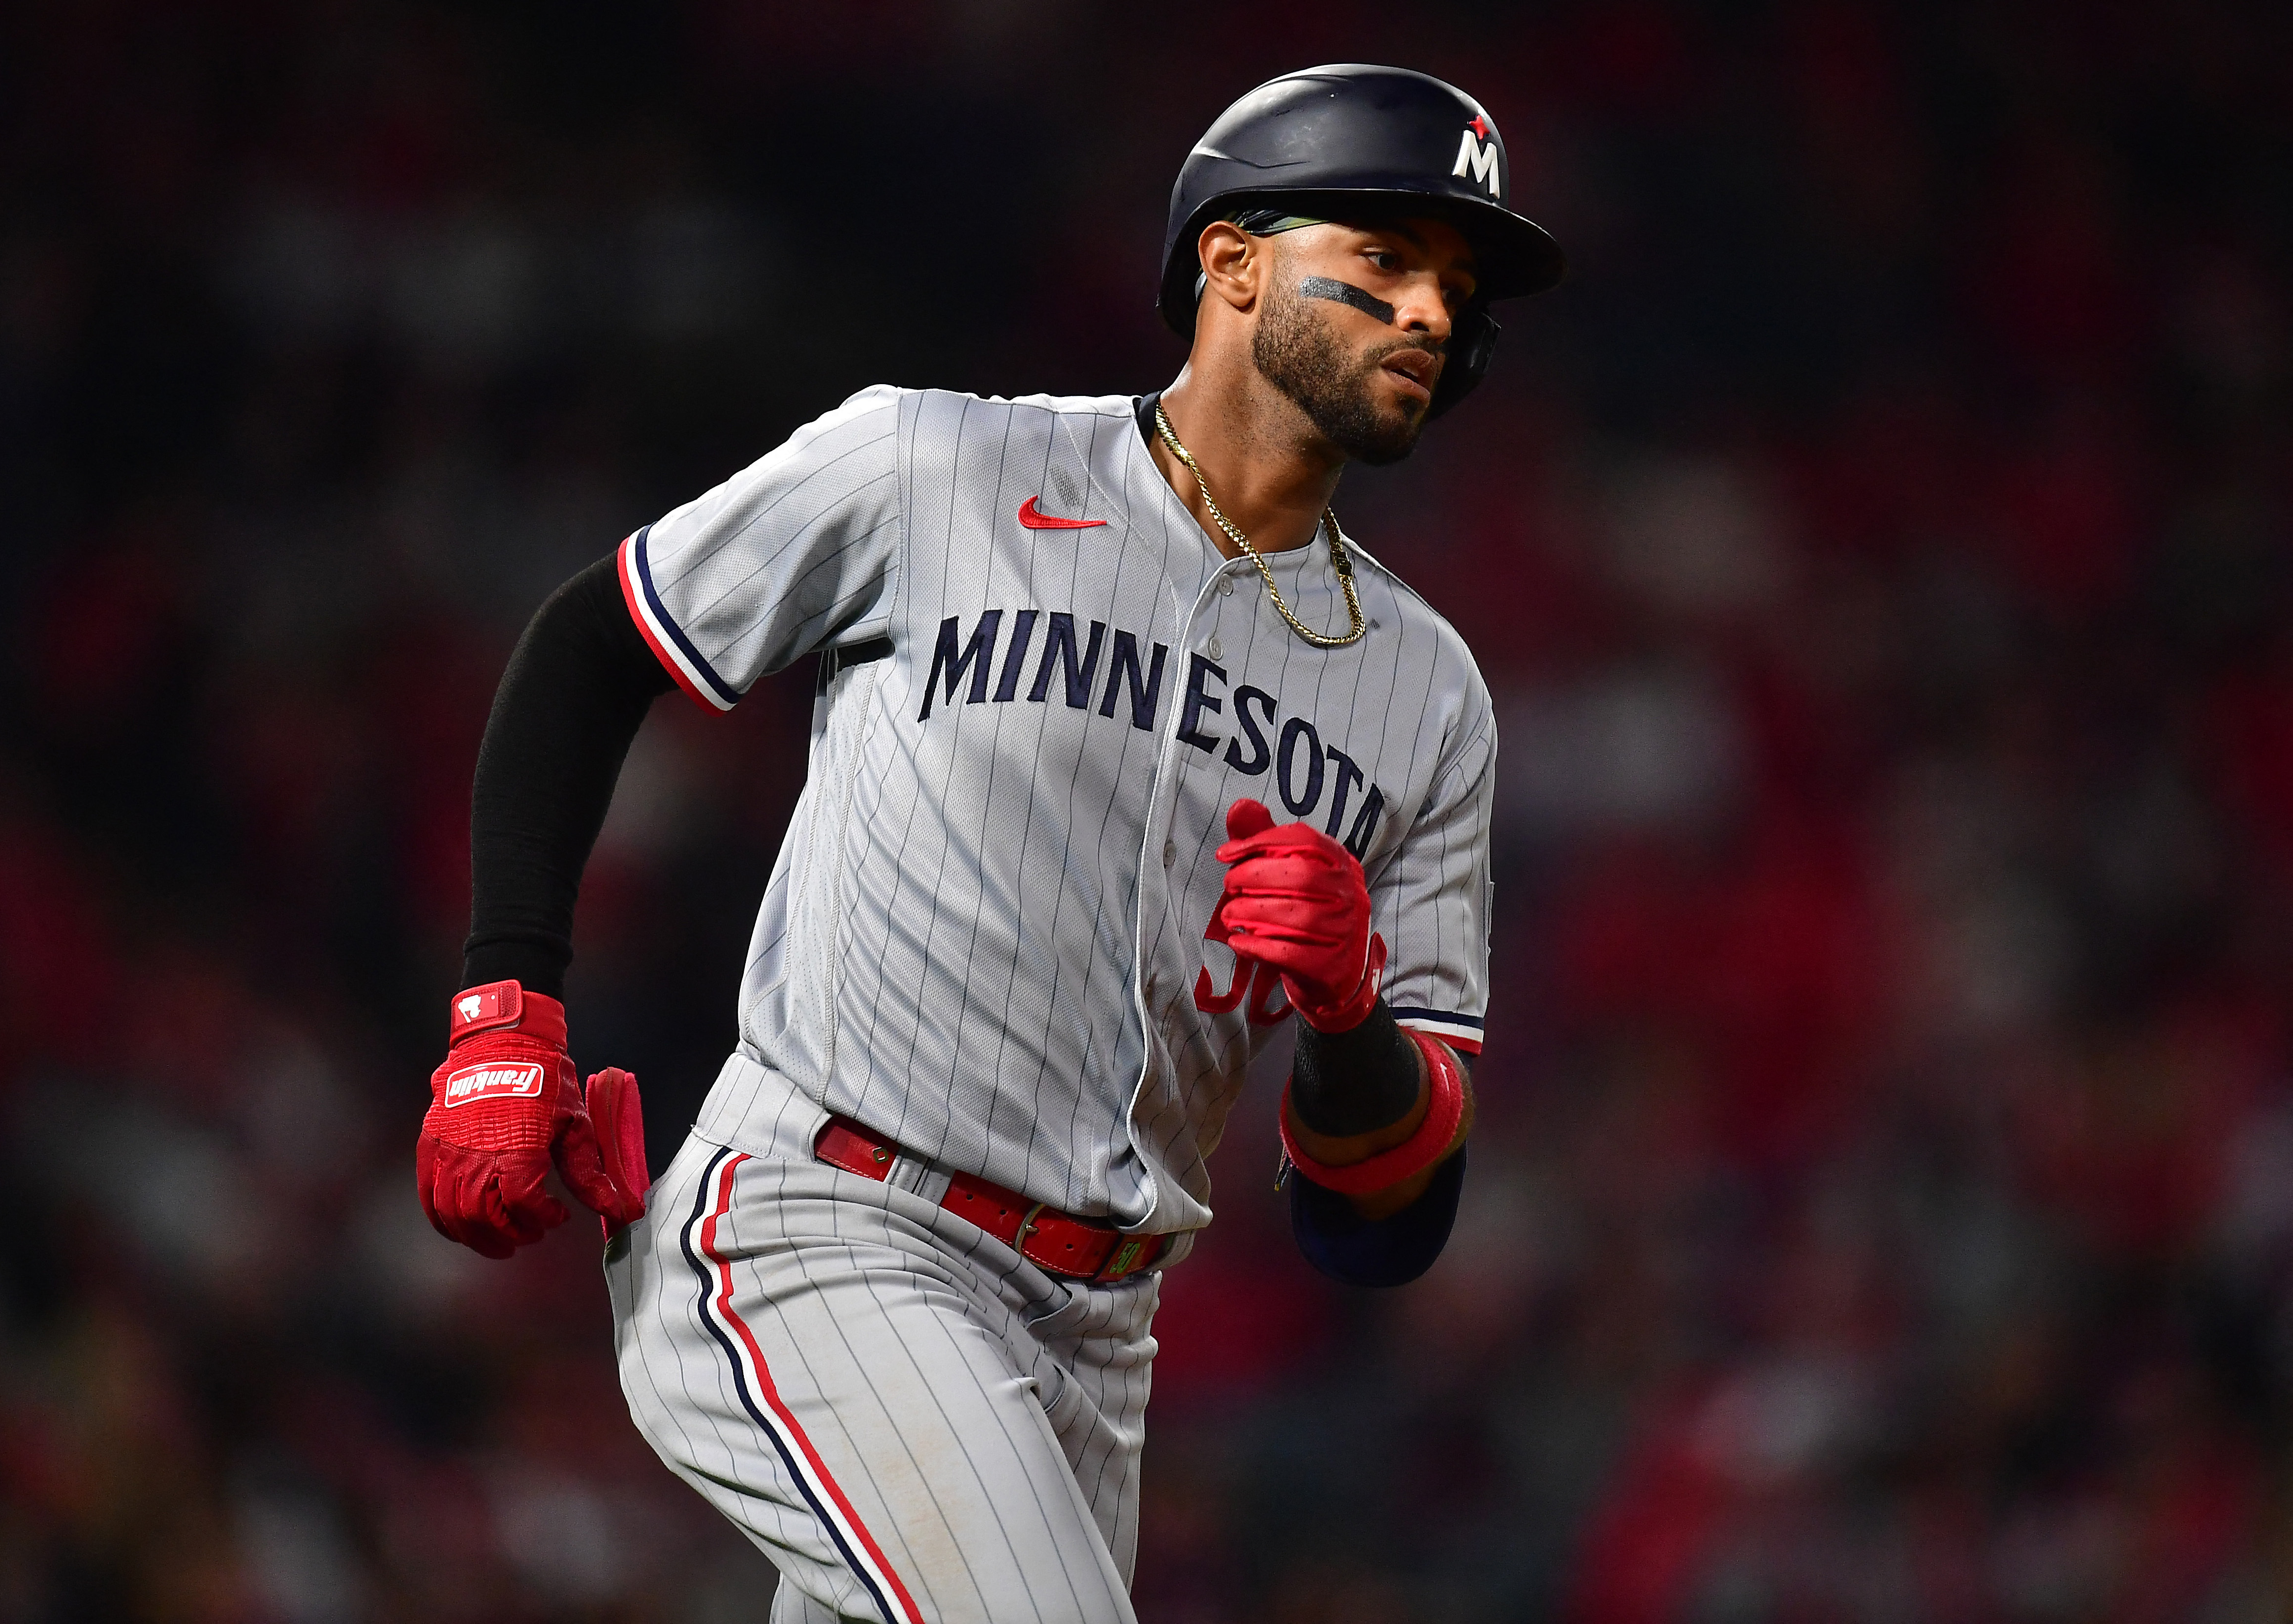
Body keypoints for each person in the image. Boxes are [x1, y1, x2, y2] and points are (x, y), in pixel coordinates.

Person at [414, 63, 1563, 1624]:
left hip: (1094, 1350)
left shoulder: (1425, 693)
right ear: (1228, 260)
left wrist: (1352, 1021)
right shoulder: (937, 466)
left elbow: (1388, 1224)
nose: (1429, 311)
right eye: (1381, 260)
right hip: (827, 1225)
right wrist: (505, 1013)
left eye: (1455, 284)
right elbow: (595, 641)